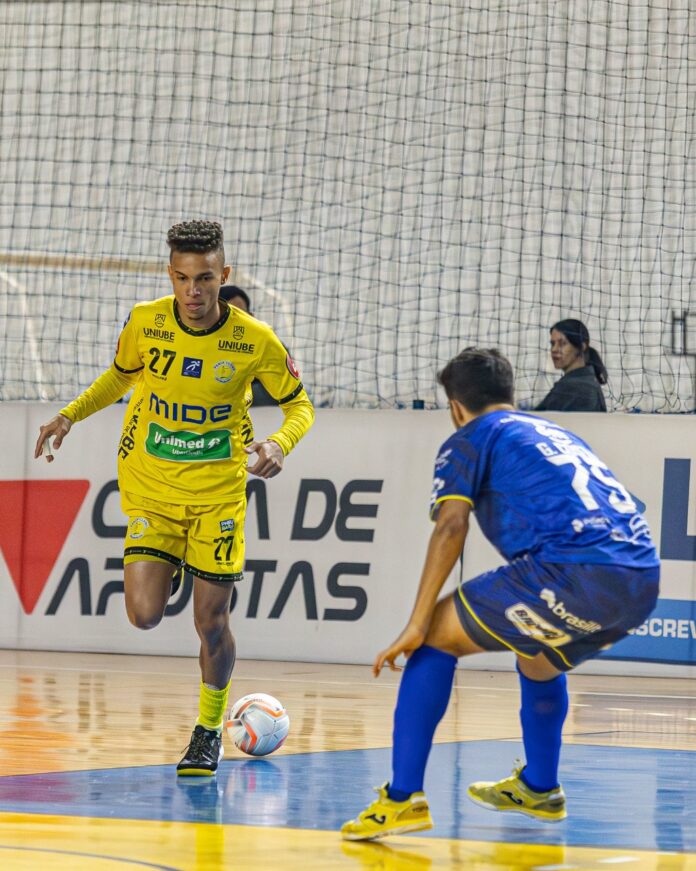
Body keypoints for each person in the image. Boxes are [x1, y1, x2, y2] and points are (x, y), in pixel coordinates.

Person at [342, 348, 659, 840]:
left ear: (454, 406)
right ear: (510, 394)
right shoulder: (557, 433)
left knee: (433, 641)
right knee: (537, 656)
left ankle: (402, 798)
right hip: (641, 578)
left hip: (573, 569)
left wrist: (416, 621)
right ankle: (539, 787)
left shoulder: (469, 437)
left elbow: (451, 526)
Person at [35, 220, 314, 776]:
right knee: (142, 616)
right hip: (152, 490)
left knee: (211, 621)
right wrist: (70, 415)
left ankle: (207, 733)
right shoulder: (146, 322)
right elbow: (118, 379)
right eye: (183, 278)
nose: (193, 290)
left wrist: (280, 444)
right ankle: (177, 565)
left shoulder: (255, 339)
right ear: (171, 274)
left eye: (205, 278)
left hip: (217, 497)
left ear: (223, 276)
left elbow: (300, 406)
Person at [219, 284, 278, 408]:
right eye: (228, 317)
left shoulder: (269, 346)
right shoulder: (199, 347)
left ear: (251, 317)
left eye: (241, 316)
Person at [535, 319, 608, 412]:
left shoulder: (579, 387)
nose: (554, 349)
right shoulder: (576, 383)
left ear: (582, 347)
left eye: (562, 344)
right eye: (553, 344)